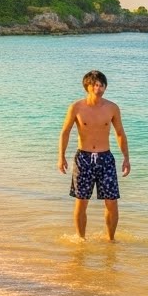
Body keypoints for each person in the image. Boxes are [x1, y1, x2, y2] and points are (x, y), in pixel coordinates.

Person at [57, 70, 130, 240]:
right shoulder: (76, 107)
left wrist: (126, 158)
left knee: (112, 202)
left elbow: (120, 133)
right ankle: (81, 239)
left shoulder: (112, 108)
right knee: (81, 202)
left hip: (105, 158)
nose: (99, 87)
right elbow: (65, 132)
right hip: (84, 158)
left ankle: (110, 239)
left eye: (102, 84)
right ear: (87, 86)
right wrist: (61, 157)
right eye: (96, 84)